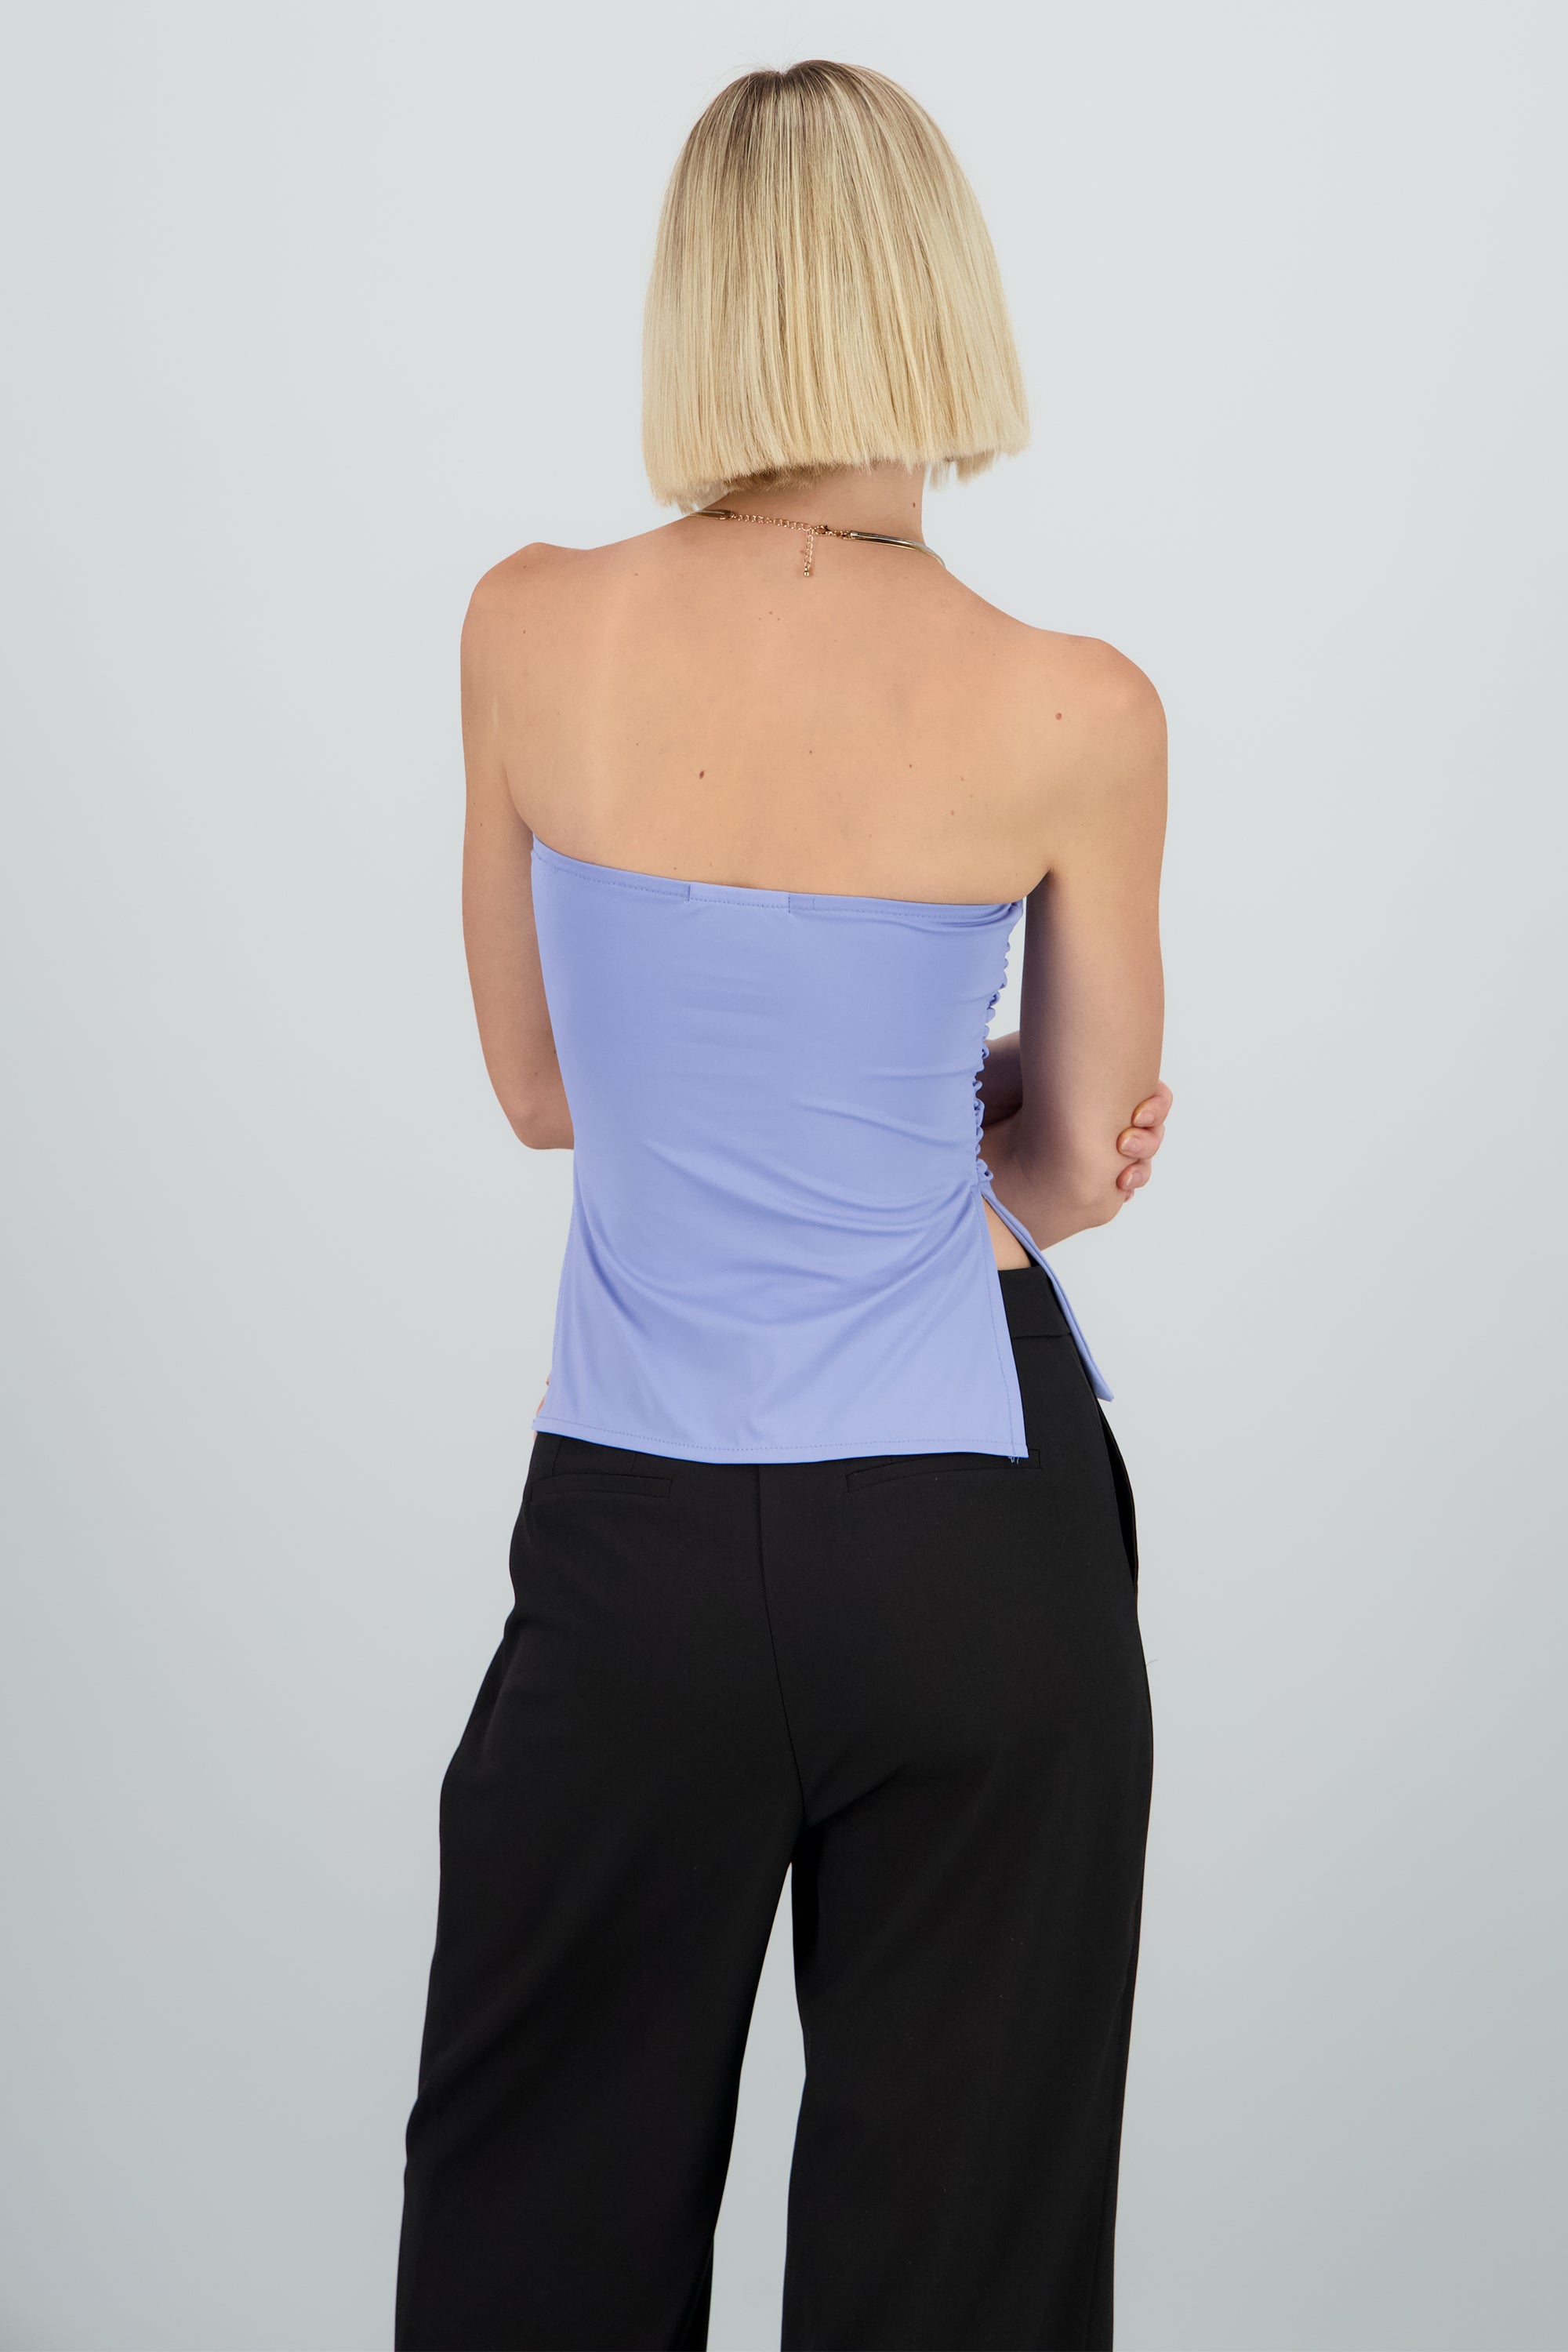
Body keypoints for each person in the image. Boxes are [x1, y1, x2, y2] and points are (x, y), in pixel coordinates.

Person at [396, 57, 1171, 2352]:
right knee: (962, 2275)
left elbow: (543, 1090)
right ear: (939, 299)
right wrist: (975, 1123)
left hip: (635, 1535)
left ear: (702, 305)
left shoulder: (530, 628)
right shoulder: (1074, 708)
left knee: (533, 2236)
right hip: (969, 1540)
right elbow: (1080, 1159)